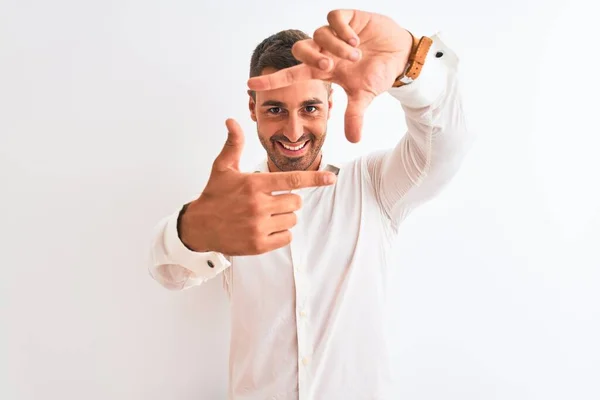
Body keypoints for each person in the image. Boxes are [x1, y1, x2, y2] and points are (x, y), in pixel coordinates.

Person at [148, 8, 473, 400]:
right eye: (275, 110)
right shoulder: (234, 205)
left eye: (310, 108)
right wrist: (192, 228)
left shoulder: (373, 186)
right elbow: (169, 274)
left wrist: (409, 61)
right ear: (252, 108)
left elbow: (448, 146)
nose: (294, 130)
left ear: (330, 104)